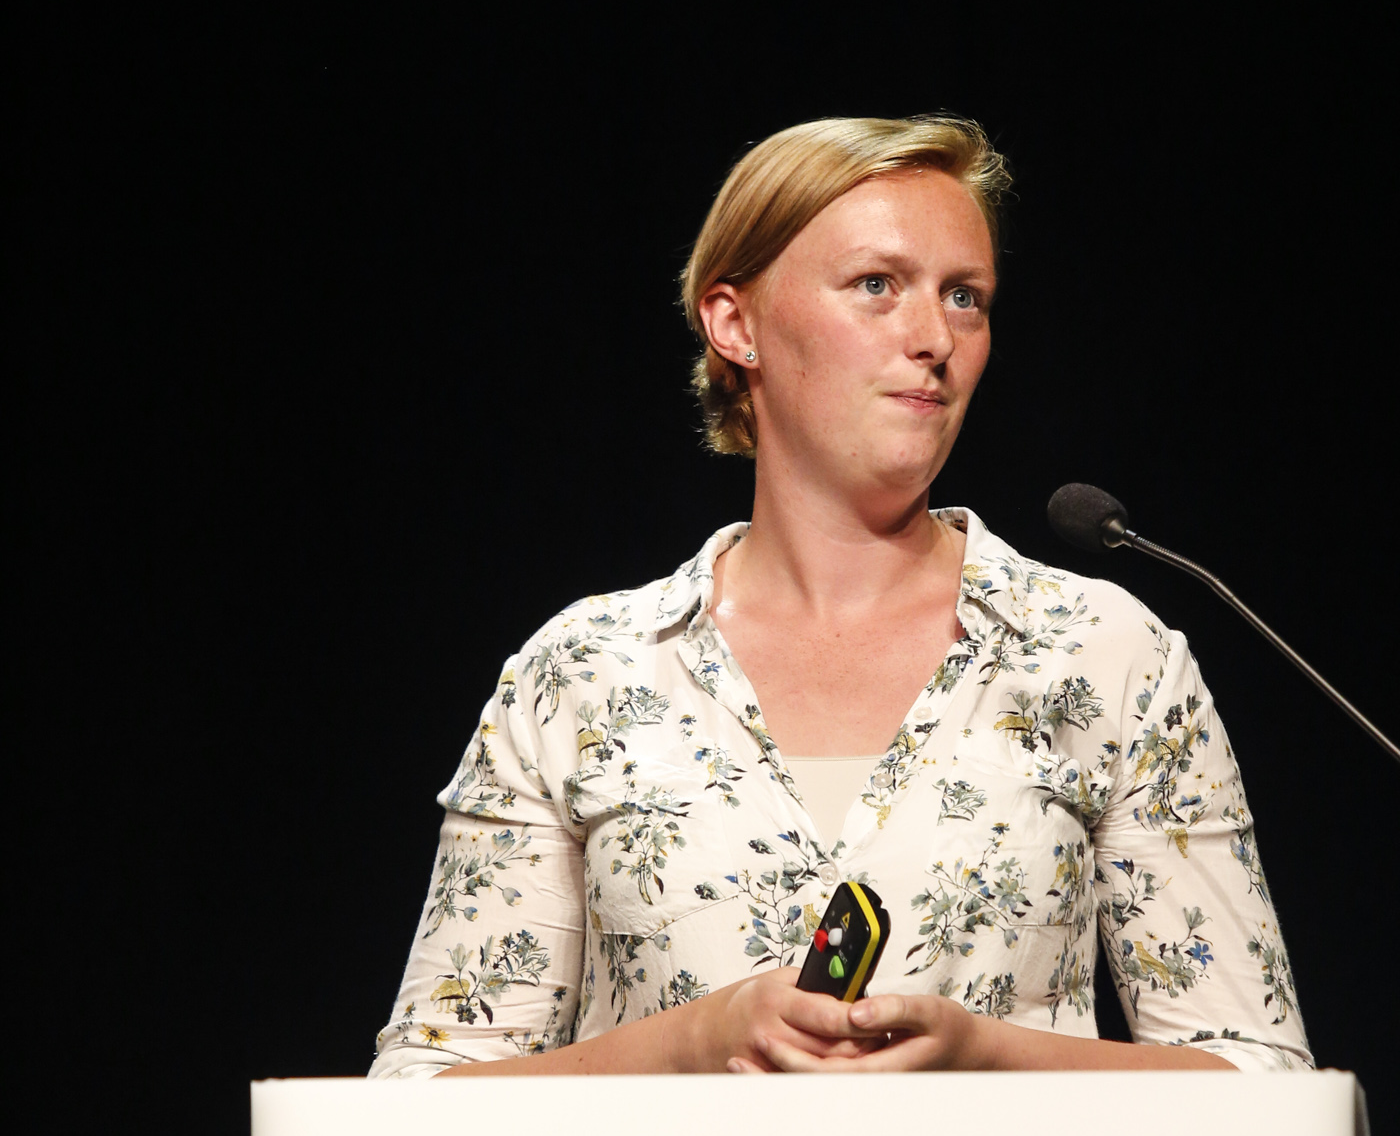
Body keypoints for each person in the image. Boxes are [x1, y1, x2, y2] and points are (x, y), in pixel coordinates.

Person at [370, 115, 1311, 1082]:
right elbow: (419, 1095)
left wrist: (987, 1056)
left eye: (965, 297)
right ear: (735, 325)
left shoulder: (1104, 654)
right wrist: (693, 1040)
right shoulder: (582, 673)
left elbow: (1260, 1077)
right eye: (876, 285)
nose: (934, 338)